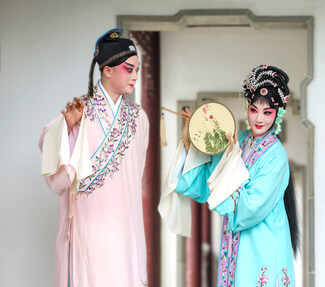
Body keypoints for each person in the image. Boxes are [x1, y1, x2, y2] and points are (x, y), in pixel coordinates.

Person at [162, 65, 299, 286]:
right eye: (254, 110)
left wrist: (229, 168)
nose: (259, 119)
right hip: (235, 243)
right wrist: (192, 141)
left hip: (261, 244)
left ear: (278, 113)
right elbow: (209, 178)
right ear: (247, 107)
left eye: (267, 112)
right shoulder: (239, 139)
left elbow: (251, 206)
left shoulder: (276, 156)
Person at [39, 28, 149, 287]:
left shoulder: (139, 117)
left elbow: (136, 173)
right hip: (89, 226)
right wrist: (67, 126)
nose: (135, 76)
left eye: (137, 69)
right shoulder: (80, 110)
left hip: (126, 224)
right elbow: (48, 142)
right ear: (107, 70)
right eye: (128, 69)